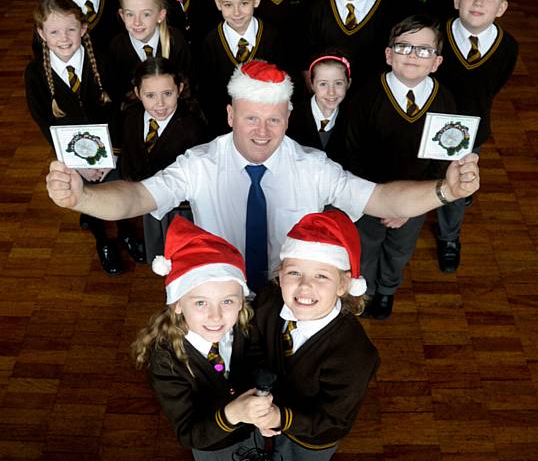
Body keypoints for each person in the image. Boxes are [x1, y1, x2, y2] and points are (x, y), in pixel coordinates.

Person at [46, 60, 480, 294]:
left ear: (289, 118)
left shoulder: (312, 167)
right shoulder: (200, 162)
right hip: (222, 289)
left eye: (274, 120)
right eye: (251, 118)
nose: (261, 132)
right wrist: (83, 196)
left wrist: (446, 190)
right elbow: (136, 197)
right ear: (231, 115)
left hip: (294, 294)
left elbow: (383, 200)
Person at [132, 216, 272, 461]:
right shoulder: (166, 359)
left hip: (246, 427)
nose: (215, 316)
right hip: (206, 437)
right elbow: (188, 432)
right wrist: (232, 413)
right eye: (200, 303)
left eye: (227, 301)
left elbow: (258, 358)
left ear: (241, 301)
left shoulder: (246, 327)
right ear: (177, 304)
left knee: (244, 453)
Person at [252, 209, 379, 461]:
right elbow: (254, 343)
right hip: (277, 416)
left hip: (318, 431)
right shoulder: (269, 302)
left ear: (343, 285)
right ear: (280, 275)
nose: (305, 287)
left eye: (321, 276)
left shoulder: (354, 354)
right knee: (282, 449)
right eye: (295, 273)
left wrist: (281, 418)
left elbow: (332, 418)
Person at [346, 15, 456, 319]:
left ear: (436, 62)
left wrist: (408, 207)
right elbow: (352, 152)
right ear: (388, 54)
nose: (412, 55)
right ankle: (364, 291)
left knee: (399, 249)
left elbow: (443, 160)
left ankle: (386, 290)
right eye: (404, 47)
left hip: (416, 201)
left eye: (424, 50)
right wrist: (379, 201)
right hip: (369, 197)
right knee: (365, 247)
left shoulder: (444, 100)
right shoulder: (366, 97)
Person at [26, 0, 142, 275]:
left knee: (116, 190)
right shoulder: (35, 74)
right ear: (42, 33)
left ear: (83, 28)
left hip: (111, 150)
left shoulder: (102, 61)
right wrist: (75, 163)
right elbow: (43, 121)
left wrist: (110, 155)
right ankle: (102, 240)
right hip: (72, 156)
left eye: (70, 29)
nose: (63, 38)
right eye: (54, 32)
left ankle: (125, 230)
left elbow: (119, 110)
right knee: (87, 197)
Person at [434, 0, 518, 272]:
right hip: (430, 126)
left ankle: (449, 236)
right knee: (426, 177)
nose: (478, 3)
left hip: (471, 132)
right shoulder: (436, 36)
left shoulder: (507, 47)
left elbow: (494, 85)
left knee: (460, 185)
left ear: (502, 7)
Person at [121, 57, 207, 262]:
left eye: (167, 94)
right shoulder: (130, 116)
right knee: (158, 248)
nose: (159, 104)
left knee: (183, 254)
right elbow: (129, 152)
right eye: (150, 95)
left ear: (179, 88)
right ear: (137, 93)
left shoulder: (193, 128)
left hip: (180, 209)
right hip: (145, 200)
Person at [197, 0, 282, 137]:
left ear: (256, 0)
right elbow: (207, 92)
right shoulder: (210, 43)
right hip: (224, 127)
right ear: (218, 4)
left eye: (244, 3)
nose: (236, 13)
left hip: (266, 126)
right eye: (228, 5)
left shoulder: (273, 38)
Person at [107, 0, 191, 110]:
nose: (137, 22)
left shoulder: (175, 40)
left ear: (160, 15)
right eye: (130, 15)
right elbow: (116, 92)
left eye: (146, 14)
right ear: (122, 16)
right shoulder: (116, 47)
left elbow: (187, 86)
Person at [286, 51, 352, 167]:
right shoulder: (292, 117)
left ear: (348, 83)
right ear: (311, 84)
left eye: (338, 83)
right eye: (323, 84)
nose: (331, 92)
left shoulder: (354, 119)